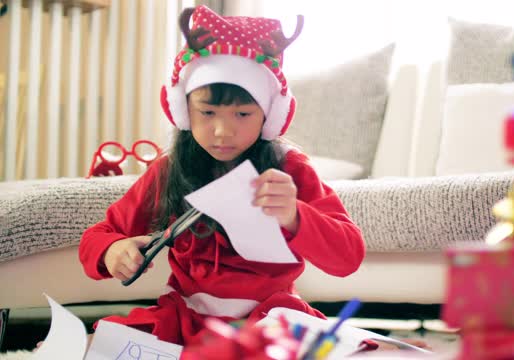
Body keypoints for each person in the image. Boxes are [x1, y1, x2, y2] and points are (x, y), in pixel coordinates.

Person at [77, 5, 366, 346]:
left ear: (270, 116)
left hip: (270, 319)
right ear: (183, 110)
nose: (222, 131)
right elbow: (98, 235)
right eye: (207, 112)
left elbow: (348, 257)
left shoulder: (290, 168)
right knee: (105, 344)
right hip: (186, 319)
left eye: (242, 113)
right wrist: (113, 249)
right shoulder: (170, 170)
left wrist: (295, 215)